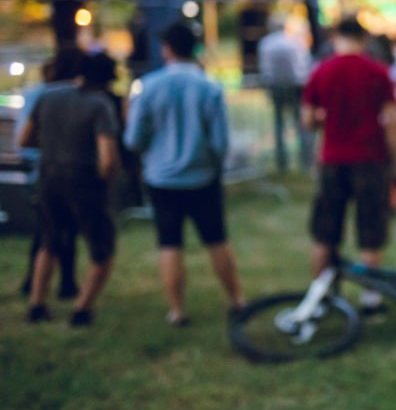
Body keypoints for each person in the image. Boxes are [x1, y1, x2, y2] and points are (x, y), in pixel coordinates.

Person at [124, 22, 245, 326]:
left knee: (169, 243)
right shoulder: (210, 87)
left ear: (166, 48)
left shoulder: (148, 87)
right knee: (216, 240)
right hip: (203, 177)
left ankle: (177, 309)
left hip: (161, 179)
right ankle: (236, 299)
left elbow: (133, 139)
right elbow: (220, 143)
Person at [302, 18, 396, 310]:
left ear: (335, 37)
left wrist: (324, 117)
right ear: (364, 38)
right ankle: (370, 298)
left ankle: (321, 296)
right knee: (370, 233)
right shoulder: (378, 72)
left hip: (332, 160)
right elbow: (392, 122)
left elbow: (307, 120)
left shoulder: (321, 72)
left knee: (325, 233)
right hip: (371, 160)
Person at [19, 53, 121, 326]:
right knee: (102, 248)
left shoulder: (49, 96)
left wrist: (55, 148)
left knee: (50, 242)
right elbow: (108, 158)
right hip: (84, 182)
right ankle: (82, 309)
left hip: (49, 178)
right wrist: (106, 182)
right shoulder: (100, 105)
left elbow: (24, 138)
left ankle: (37, 305)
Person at [17, 48, 84, 299]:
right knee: (60, 229)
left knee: (49, 229)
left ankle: (36, 284)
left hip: (42, 170)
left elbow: (22, 140)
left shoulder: (39, 94)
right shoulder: (74, 97)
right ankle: (63, 283)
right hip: (60, 170)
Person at [257, 14, 312, 173]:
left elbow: (265, 68)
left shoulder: (266, 43)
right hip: (295, 86)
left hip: (276, 86)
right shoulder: (294, 43)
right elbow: (302, 64)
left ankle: (282, 161)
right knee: (298, 123)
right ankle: (305, 159)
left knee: (279, 124)